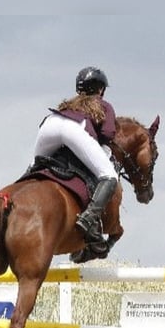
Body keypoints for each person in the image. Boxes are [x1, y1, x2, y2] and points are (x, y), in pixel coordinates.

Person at [33, 66, 119, 245]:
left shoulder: (69, 103)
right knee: (109, 176)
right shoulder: (103, 105)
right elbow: (109, 134)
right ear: (101, 89)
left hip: (49, 124)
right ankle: (88, 218)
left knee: (37, 168)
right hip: (72, 129)